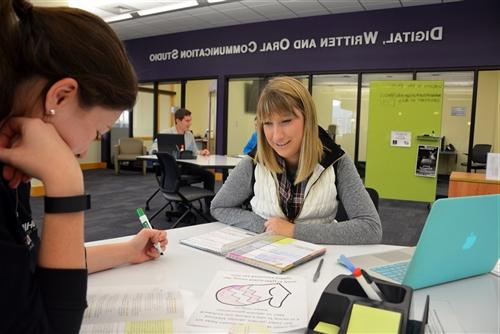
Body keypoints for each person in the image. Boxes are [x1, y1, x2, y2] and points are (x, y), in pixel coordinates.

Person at [0, 1, 167, 333]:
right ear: (60, 97)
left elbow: (31, 269)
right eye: (96, 132)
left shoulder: (14, 168)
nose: (82, 150)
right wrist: (66, 183)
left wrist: (126, 250)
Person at [211, 77, 382, 245]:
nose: (277, 136)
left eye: (286, 121)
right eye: (268, 123)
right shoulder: (254, 161)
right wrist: (266, 227)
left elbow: (371, 228)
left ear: (308, 119)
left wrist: (293, 231)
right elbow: (219, 207)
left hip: (319, 260)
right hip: (265, 255)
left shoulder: (337, 161)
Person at [152, 108, 215, 193]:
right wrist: (162, 153)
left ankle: (209, 205)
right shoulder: (165, 134)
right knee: (179, 178)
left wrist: (202, 152)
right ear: (178, 121)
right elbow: (153, 149)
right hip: (172, 168)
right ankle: (181, 203)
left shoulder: (189, 135)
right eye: (187, 121)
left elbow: (195, 152)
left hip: (186, 167)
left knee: (209, 176)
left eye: (190, 120)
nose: (190, 123)